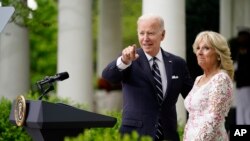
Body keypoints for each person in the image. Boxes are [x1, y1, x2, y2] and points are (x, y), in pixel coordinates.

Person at [102, 14, 193, 141]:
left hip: (168, 135)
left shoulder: (178, 63)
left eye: (150, 33)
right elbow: (108, 76)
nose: (145, 38)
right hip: (135, 135)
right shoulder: (129, 59)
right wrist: (123, 61)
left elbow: (194, 98)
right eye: (141, 33)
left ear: (162, 35)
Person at [183, 31, 234, 141]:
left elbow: (215, 118)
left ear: (219, 55)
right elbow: (191, 118)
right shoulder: (198, 79)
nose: (199, 52)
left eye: (206, 48)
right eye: (198, 48)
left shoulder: (221, 79)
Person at [229, 30, 250, 125]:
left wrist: (236, 75)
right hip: (240, 86)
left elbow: (244, 71)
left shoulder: (246, 55)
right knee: (241, 108)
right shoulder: (239, 55)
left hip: (246, 85)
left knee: (246, 108)